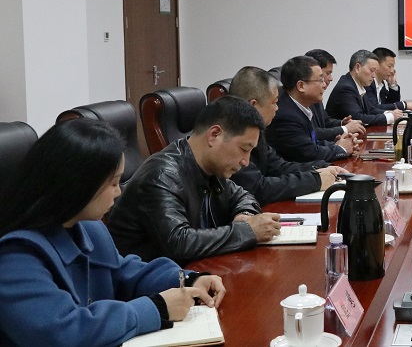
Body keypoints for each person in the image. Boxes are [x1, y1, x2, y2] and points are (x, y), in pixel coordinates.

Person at [0, 119, 226, 347]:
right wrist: (156, 308)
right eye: (113, 183)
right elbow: (64, 332)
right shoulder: (15, 258)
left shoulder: (87, 227)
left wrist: (188, 279)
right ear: (78, 185)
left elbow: (123, 272)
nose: (118, 192)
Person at [107, 96, 282, 264]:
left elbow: (242, 196)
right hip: (154, 280)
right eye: (244, 149)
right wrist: (247, 231)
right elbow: (179, 243)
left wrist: (245, 216)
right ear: (214, 135)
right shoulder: (162, 176)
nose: (246, 161)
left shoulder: (211, 166)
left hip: (196, 271)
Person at [228, 66, 347, 205]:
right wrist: (316, 180)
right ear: (253, 106)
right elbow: (258, 188)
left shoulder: (256, 130)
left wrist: (321, 167)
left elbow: (278, 166)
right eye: (274, 102)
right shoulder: (231, 136)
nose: (277, 108)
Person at [267, 55, 361, 163]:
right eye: (320, 80)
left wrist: (339, 144)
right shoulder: (286, 116)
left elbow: (311, 141)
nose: (324, 84)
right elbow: (310, 154)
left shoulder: (300, 105)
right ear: (301, 86)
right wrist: (341, 149)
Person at [326, 49, 404, 126]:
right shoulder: (346, 88)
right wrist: (389, 117)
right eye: (372, 70)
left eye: (375, 72)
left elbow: (370, 109)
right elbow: (357, 118)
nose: (374, 76)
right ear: (357, 68)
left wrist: (388, 113)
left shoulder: (358, 85)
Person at [305, 48, 366, 143]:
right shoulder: (304, 99)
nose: (331, 78)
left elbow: (325, 121)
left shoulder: (316, 95)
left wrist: (342, 123)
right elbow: (313, 133)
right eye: (328, 73)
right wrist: (345, 129)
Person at [365, 47, 412, 111]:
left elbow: (390, 106)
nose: (392, 71)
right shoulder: (367, 83)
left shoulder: (382, 84)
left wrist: (392, 85)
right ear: (377, 64)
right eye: (389, 66)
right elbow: (373, 108)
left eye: (393, 66)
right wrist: (404, 105)